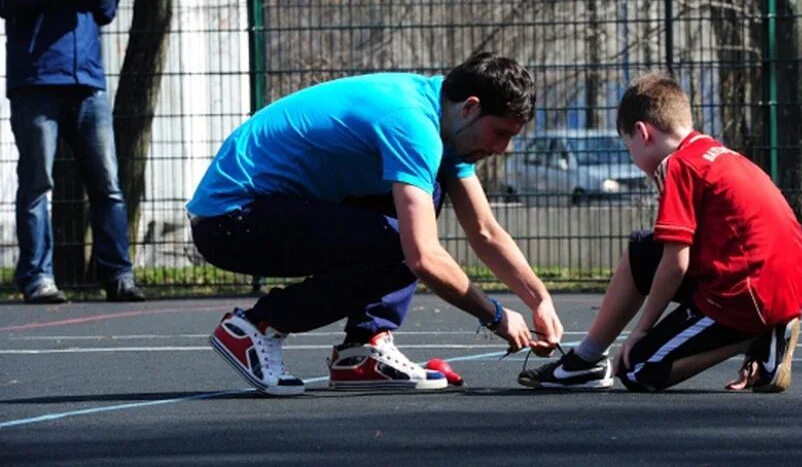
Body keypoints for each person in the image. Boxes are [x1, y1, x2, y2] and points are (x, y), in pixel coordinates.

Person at [188, 51, 563, 395]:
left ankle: (363, 349)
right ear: (470, 107)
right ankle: (258, 326)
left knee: (424, 197)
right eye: (500, 133)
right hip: (231, 220)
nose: (503, 148)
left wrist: (539, 299)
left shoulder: (444, 122)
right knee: (403, 240)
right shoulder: (412, 124)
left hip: (267, 209)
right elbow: (423, 258)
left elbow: (484, 230)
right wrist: (495, 315)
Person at [518, 73, 802, 393]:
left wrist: (642, 329)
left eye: (629, 149)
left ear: (643, 133)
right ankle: (585, 361)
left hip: (746, 294)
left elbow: (675, 262)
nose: (634, 161)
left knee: (637, 370)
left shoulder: (679, 165)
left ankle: (757, 335)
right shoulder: (714, 152)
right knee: (643, 251)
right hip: (776, 283)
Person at [0, 0, 144, 304]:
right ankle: (37, 279)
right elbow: (7, 0)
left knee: (108, 185)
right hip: (36, 82)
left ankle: (119, 276)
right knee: (37, 183)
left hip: (88, 84)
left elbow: (106, 12)